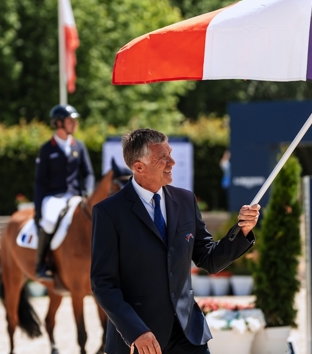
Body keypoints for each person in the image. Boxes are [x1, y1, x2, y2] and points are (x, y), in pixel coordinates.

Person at [91, 128, 259, 354]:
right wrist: (135, 332)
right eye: (163, 158)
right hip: (140, 340)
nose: (172, 162)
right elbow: (103, 284)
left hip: (188, 334)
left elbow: (208, 258)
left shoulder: (185, 199)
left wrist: (243, 229)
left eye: (169, 153)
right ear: (139, 167)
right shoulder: (109, 212)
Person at [34, 104, 95, 280]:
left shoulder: (79, 146)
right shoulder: (47, 149)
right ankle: (41, 265)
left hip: (76, 196)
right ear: (58, 123)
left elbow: (88, 173)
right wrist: (38, 208)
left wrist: (88, 190)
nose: (75, 124)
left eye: (75, 120)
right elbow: (39, 181)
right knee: (50, 222)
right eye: (70, 120)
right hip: (54, 197)